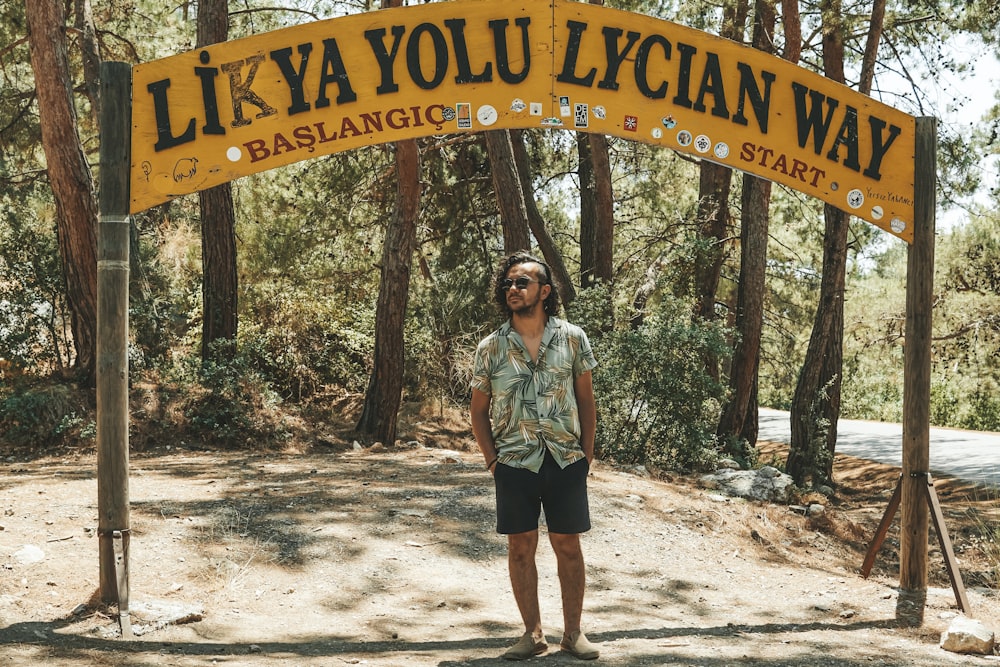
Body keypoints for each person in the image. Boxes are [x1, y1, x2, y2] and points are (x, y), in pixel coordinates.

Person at [470, 252, 600, 661]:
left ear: (544, 291)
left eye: (522, 282)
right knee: (520, 549)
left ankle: (573, 634)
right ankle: (533, 635)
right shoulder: (491, 347)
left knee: (568, 547)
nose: (513, 289)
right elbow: (477, 410)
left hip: (564, 459)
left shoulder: (573, 338)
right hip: (514, 463)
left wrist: (587, 456)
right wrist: (493, 461)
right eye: (508, 283)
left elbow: (586, 400)